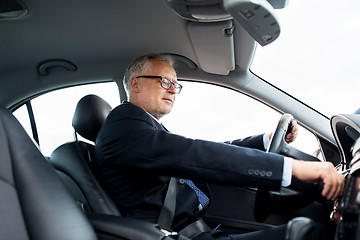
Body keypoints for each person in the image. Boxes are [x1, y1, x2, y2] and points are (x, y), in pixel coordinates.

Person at [95, 53, 344, 240]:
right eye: (163, 81)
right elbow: (195, 154)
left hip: (200, 232)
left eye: (176, 84)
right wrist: (291, 168)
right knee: (306, 234)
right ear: (136, 84)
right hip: (179, 236)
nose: (173, 90)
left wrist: (266, 141)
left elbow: (206, 150)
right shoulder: (123, 123)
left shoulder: (144, 129)